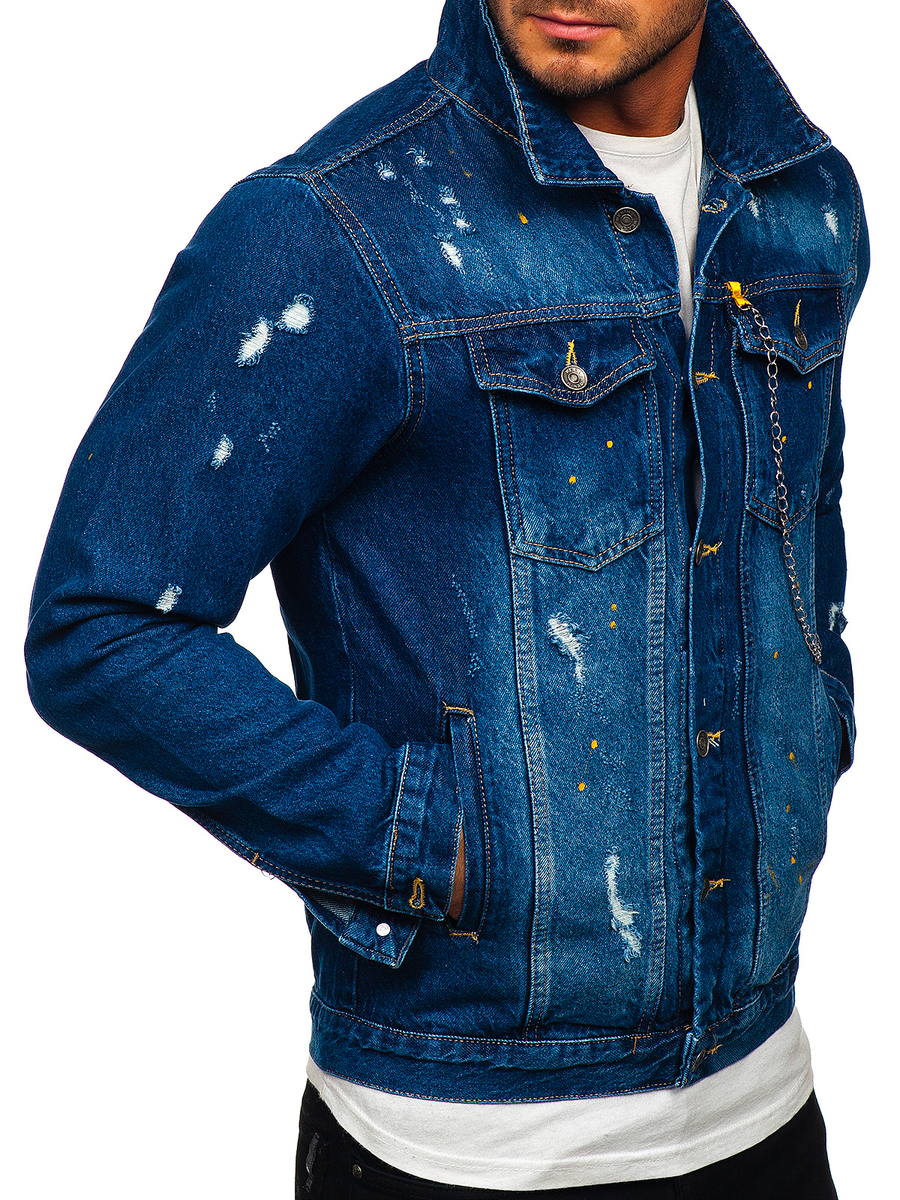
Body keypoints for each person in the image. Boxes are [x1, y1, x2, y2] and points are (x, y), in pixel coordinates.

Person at [25, 0, 867, 1194]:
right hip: (458, 1140)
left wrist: (816, 725)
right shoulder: (336, 227)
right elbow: (101, 623)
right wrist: (427, 841)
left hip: (765, 1099)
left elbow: (801, 513)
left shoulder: (804, 201)